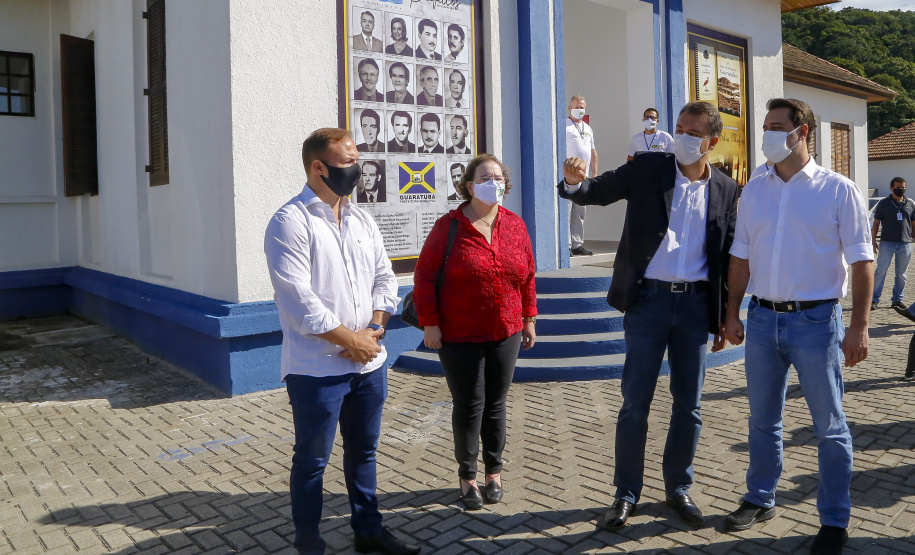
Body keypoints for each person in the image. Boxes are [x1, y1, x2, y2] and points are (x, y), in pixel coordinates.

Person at [558, 101, 740, 531]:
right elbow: (598, 191)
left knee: (689, 407)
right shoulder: (647, 167)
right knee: (635, 404)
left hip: (695, 307)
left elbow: (728, 255)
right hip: (648, 303)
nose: (681, 137)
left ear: (711, 142)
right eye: (678, 128)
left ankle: (678, 488)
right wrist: (573, 184)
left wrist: (722, 316)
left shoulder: (727, 190)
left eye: (692, 132)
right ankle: (625, 494)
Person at [722, 98, 874, 555]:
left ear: (801, 131)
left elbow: (862, 261)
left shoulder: (837, 189)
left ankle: (833, 519)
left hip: (816, 320)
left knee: (829, 426)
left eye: (776, 126)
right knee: (762, 420)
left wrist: (860, 326)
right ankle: (760, 497)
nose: (768, 133)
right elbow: (740, 257)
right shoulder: (755, 189)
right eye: (765, 126)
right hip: (763, 319)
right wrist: (731, 313)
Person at [264, 128, 419, 555]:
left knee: (364, 453)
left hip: (368, 364)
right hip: (317, 369)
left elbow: (385, 278)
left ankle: (368, 532)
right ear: (319, 167)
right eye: (348, 162)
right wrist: (350, 340)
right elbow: (299, 301)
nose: (357, 168)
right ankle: (309, 543)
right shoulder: (289, 222)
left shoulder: (361, 219)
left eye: (356, 159)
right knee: (312, 462)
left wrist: (375, 328)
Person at [414, 154, 537, 511]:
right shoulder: (448, 226)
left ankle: (493, 473)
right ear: (470, 186)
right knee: (470, 406)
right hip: (458, 333)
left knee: (496, 405)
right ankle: (468, 477)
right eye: (486, 177)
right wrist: (430, 322)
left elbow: (527, 275)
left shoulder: (515, 225)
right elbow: (423, 276)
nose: (494, 183)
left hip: (506, 329)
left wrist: (530, 317)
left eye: (498, 177)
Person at [871, 177, 914, 310]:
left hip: (905, 243)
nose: (901, 189)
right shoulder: (883, 203)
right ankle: (873, 299)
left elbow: (913, 224)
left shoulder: (910, 204)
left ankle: (897, 300)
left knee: (901, 274)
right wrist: (872, 241)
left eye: (903, 187)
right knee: (881, 272)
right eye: (898, 187)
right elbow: (876, 223)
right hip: (887, 243)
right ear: (891, 188)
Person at [565, 95, 598, 257]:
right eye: (577, 107)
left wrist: (595, 172)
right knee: (567, 210)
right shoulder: (564, 125)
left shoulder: (587, 128)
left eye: (582, 107)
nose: (580, 110)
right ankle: (566, 245)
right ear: (570, 108)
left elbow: (592, 151)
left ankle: (577, 244)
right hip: (568, 176)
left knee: (580, 211)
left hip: (583, 178)